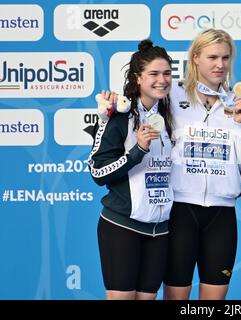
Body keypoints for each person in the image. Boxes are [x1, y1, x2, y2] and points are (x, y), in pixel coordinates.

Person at [163, 28, 241, 300]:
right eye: (212, 57)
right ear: (195, 58)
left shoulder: (236, 104)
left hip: (222, 213)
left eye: (226, 58)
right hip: (180, 210)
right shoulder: (172, 97)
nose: (220, 65)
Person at [87, 39, 174, 300]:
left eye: (167, 73)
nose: (162, 80)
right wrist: (138, 151)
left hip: (159, 230)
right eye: (154, 74)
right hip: (122, 225)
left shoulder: (169, 114)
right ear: (137, 79)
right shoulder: (119, 115)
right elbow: (98, 173)